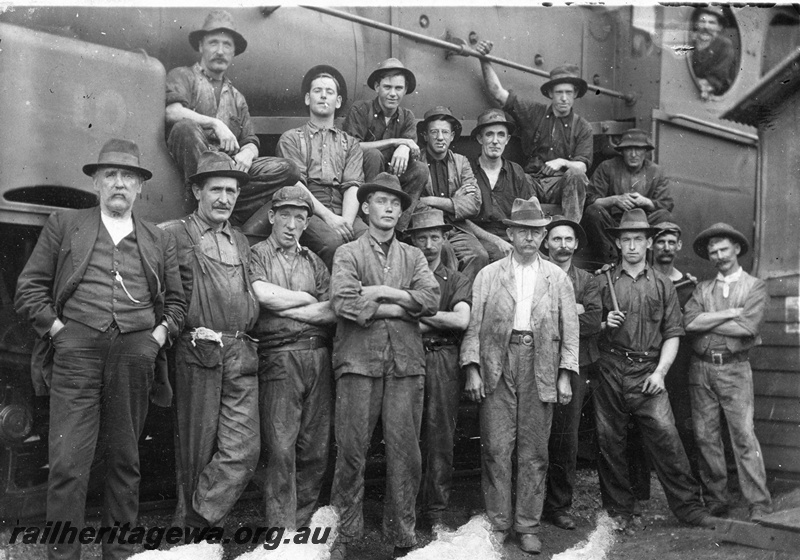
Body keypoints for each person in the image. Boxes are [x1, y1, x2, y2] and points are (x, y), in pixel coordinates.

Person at [15, 139, 186, 560]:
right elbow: (28, 289)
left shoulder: (156, 239)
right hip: (76, 351)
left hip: (134, 353)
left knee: (125, 462)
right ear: (95, 182)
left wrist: (157, 337)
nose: (119, 183)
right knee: (68, 465)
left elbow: (179, 303)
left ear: (141, 187)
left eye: (128, 176)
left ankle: (120, 554)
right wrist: (58, 330)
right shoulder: (64, 224)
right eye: (110, 174)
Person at [328, 173, 440, 560]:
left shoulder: (413, 255)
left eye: (395, 204)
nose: (389, 208)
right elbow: (344, 302)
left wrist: (380, 293)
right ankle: (343, 534)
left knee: (405, 452)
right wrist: (403, 306)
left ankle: (401, 535)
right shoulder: (348, 253)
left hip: (405, 364)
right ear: (365, 207)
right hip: (358, 363)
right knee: (352, 451)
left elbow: (430, 299)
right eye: (381, 201)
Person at [462, 197, 579, 554]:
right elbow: (474, 326)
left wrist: (564, 375)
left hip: (539, 362)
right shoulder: (489, 274)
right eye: (523, 231)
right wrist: (472, 368)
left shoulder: (556, 278)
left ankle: (527, 524)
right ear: (510, 233)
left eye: (536, 232)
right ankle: (499, 524)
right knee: (497, 447)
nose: (530, 238)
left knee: (534, 451)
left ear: (543, 236)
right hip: (497, 360)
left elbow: (570, 330)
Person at [593, 208, 717, 532]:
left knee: (667, 436)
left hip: (648, 370)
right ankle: (620, 511)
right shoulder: (602, 281)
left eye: (638, 239)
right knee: (610, 441)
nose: (632, 246)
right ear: (618, 244)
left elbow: (674, 333)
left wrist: (660, 373)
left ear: (649, 243)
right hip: (609, 368)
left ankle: (689, 508)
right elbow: (588, 326)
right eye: (626, 240)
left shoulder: (663, 285)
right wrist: (604, 324)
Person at [160, 151, 260, 529]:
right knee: (196, 449)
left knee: (244, 448)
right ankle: (193, 537)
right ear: (197, 191)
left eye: (231, 191)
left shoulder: (240, 239)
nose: (224, 198)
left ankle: (197, 519)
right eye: (215, 189)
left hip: (240, 349)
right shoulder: (173, 233)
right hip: (198, 348)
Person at [164, 10, 300, 232]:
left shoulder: (236, 96)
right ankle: (209, 206)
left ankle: (226, 208)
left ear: (234, 51)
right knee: (185, 128)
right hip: (196, 168)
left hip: (229, 171)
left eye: (227, 45)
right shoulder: (183, 76)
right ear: (200, 46)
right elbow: (172, 112)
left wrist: (247, 152)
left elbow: (250, 139)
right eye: (213, 43)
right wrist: (215, 123)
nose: (220, 51)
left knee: (289, 169)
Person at [249, 185, 336, 530]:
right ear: (272, 216)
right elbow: (262, 294)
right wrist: (304, 297)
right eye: (284, 215)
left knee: (314, 449)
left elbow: (331, 310)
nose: (291, 224)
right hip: (280, 358)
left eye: (299, 217)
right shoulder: (257, 254)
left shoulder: (314, 260)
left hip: (317, 357)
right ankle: (279, 529)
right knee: (281, 449)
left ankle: (299, 526)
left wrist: (293, 309)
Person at [684, 223, 772, 520]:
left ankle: (759, 503)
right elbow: (689, 324)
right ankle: (716, 500)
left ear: (736, 249)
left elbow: (747, 327)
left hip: (734, 371)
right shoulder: (702, 288)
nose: (718, 255)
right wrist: (729, 313)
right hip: (701, 370)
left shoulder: (755, 287)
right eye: (713, 252)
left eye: (723, 249)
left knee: (744, 436)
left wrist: (708, 319)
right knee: (706, 437)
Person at [406, 209, 472, 531]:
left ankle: (435, 511)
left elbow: (461, 320)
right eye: (422, 238)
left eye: (436, 237)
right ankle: (407, 509)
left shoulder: (456, 279)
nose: (430, 244)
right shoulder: (404, 277)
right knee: (406, 433)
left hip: (444, 357)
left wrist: (420, 314)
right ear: (412, 241)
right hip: (409, 356)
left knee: (440, 437)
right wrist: (437, 315)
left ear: (446, 238)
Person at [475, 40, 592, 222]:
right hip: (531, 182)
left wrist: (561, 162)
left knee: (576, 174)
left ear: (575, 94)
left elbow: (582, 166)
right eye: (559, 92)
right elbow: (498, 93)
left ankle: (569, 229)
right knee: (515, 176)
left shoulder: (582, 126)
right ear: (550, 94)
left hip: (561, 185)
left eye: (568, 93)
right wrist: (483, 59)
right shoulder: (534, 112)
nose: (563, 98)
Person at [541, 216, 601, 531]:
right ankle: (529, 504)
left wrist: (569, 312)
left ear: (576, 244)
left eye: (568, 240)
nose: (563, 246)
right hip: (537, 361)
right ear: (545, 243)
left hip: (575, 364)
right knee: (534, 435)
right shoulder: (535, 275)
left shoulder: (588, 281)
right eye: (556, 239)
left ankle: (559, 506)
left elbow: (592, 323)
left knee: (566, 438)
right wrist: (569, 310)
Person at [276, 64, 367, 269]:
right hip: (308, 206)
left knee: (369, 243)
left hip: (344, 205)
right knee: (333, 244)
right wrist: (329, 218)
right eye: (317, 91)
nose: (323, 96)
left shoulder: (350, 143)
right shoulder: (291, 139)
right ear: (308, 99)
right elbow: (296, 185)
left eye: (329, 92)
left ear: (338, 101)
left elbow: (352, 186)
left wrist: (346, 222)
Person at [342, 58, 428, 230]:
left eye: (398, 88)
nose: (393, 94)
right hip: (364, 176)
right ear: (376, 87)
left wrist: (404, 147)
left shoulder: (407, 116)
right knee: (373, 155)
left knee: (420, 169)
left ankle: (397, 229)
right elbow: (351, 146)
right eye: (387, 87)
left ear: (405, 90)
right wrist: (396, 141)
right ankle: (368, 225)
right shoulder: (360, 110)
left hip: (392, 175)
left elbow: (412, 147)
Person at [417, 106, 487, 281]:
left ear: (452, 136)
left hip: (456, 228)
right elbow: (413, 203)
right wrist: (454, 201)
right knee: (444, 252)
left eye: (445, 132)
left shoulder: (461, 162)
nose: (440, 137)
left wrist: (431, 200)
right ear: (425, 135)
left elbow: (474, 203)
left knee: (479, 255)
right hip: (428, 229)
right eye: (434, 132)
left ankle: (462, 300)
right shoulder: (415, 161)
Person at [583, 129, 673, 263]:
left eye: (638, 149)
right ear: (622, 151)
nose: (633, 154)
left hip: (644, 224)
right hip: (614, 224)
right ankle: (611, 260)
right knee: (593, 211)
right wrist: (614, 200)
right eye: (628, 149)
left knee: (665, 216)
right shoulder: (607, 167)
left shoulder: (656, 171)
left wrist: (646, 202)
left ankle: (649, 263)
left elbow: (667, 204)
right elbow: (589, 199)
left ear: (646, 151)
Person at [464, 108, 536, 263]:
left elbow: (528, 212)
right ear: (479, 138)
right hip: (478, 237)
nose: (495, 141)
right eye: (489, 134)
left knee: (545, 264)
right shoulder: (466, 170)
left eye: (501, 135)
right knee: (504, 260)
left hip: (512, 236)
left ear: (508, 139)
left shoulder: (516, 171)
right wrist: (496, 241)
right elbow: (462, 219)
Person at [690, 6, 736, 100]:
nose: (706, 26)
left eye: (712, 23)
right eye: (702, 21)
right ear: (696, 24)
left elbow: (718, 77)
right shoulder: (688, 42)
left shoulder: (724, 45)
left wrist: (706, 84)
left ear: (719, 27)